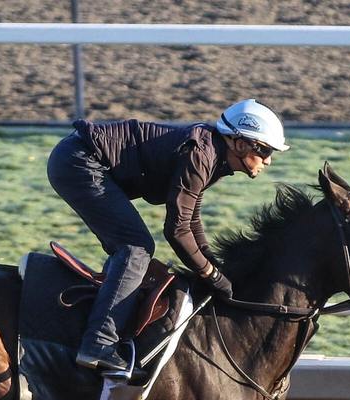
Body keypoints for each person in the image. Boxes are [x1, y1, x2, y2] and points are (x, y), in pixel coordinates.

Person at [47, 99, 290, 373]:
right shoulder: (201, 154)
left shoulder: (213, 154)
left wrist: (213, 265)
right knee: (135, 247)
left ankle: (108, 326)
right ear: (239, 142)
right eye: (265, 150)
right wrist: (211, 275)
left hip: (80, 158)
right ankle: (99, 344)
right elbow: (176, 231)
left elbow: (191, 219)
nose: (268, 160)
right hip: (79, 161)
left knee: (132, 247)